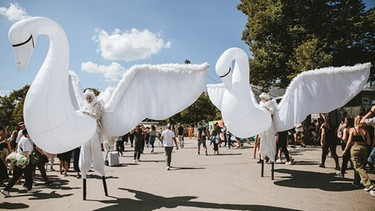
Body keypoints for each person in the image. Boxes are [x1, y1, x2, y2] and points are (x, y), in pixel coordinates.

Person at [79, 89, 107, 200]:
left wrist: (87, 113)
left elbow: (97, 116)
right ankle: (84, 169)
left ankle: (99, 168)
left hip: (94, 130)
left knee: (95, 149)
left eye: (90, 97)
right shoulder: (84, 106)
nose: (89, 99)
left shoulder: (97, 105)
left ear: (93, 97)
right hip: (86, 131)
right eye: (87, 98)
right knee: (85, 149)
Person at [343, 115, 375, 194]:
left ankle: (368, 184)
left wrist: (345, 150)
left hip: (355, 147)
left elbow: (349, 141)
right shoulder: (365, 131)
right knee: (360, 166)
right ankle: (357, 182)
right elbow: (368, 142)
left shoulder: (352, 130)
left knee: (358, 167)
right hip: (364, 148)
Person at [1, 129, 34, 197]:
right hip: (23, 159)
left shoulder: (22, 138)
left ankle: (29, 188)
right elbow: (26, 151)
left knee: (28, 174)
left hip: (20, 158)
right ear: (27, 134)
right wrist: (27, 159)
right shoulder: (26, 140)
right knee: (18, 176)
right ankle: (6, 189)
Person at [258, 93, 277, 163]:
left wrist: (267, 109)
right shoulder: (260, 105)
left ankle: (271, 155)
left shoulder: (270, 103)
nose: (261, 100)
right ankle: (263, 155)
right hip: (263, 123)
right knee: (263, 140)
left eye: (262, 98)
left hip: (269, 123)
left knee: (270, 139)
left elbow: (272, 111)